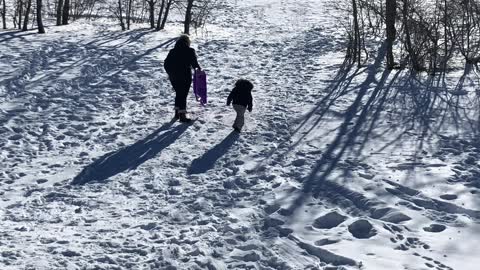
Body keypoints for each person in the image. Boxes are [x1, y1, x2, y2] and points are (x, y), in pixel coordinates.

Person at [164, 35, 201, 123]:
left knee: (179, 93)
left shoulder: (172, 51)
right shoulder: (190, 51)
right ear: (188, 42)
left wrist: (170, 73)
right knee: (183, 95)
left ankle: (177, 112)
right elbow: (194, 64)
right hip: (185, 76)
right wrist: (199, 71)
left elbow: (166, 64)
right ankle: (182, 115)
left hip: (173, 77)